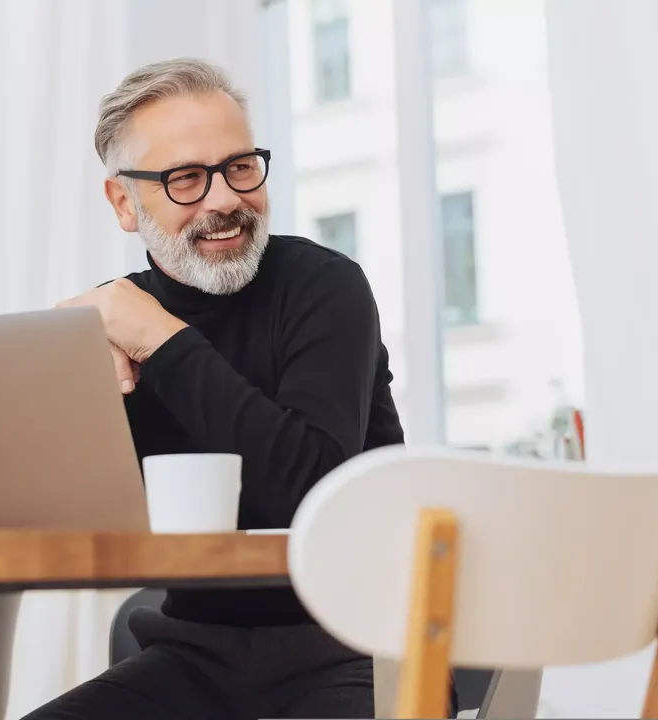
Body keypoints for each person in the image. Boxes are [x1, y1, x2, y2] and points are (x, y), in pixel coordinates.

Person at [31, 59, 447, 720]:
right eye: (187, 179)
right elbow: (71, 517)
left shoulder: (323, 287)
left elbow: (311, 491)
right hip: (192, 656)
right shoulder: (111, 327)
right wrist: (53, 381)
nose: (223, 199)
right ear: (123, 203)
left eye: (240, 167)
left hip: (356, 649)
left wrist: (163, 341)